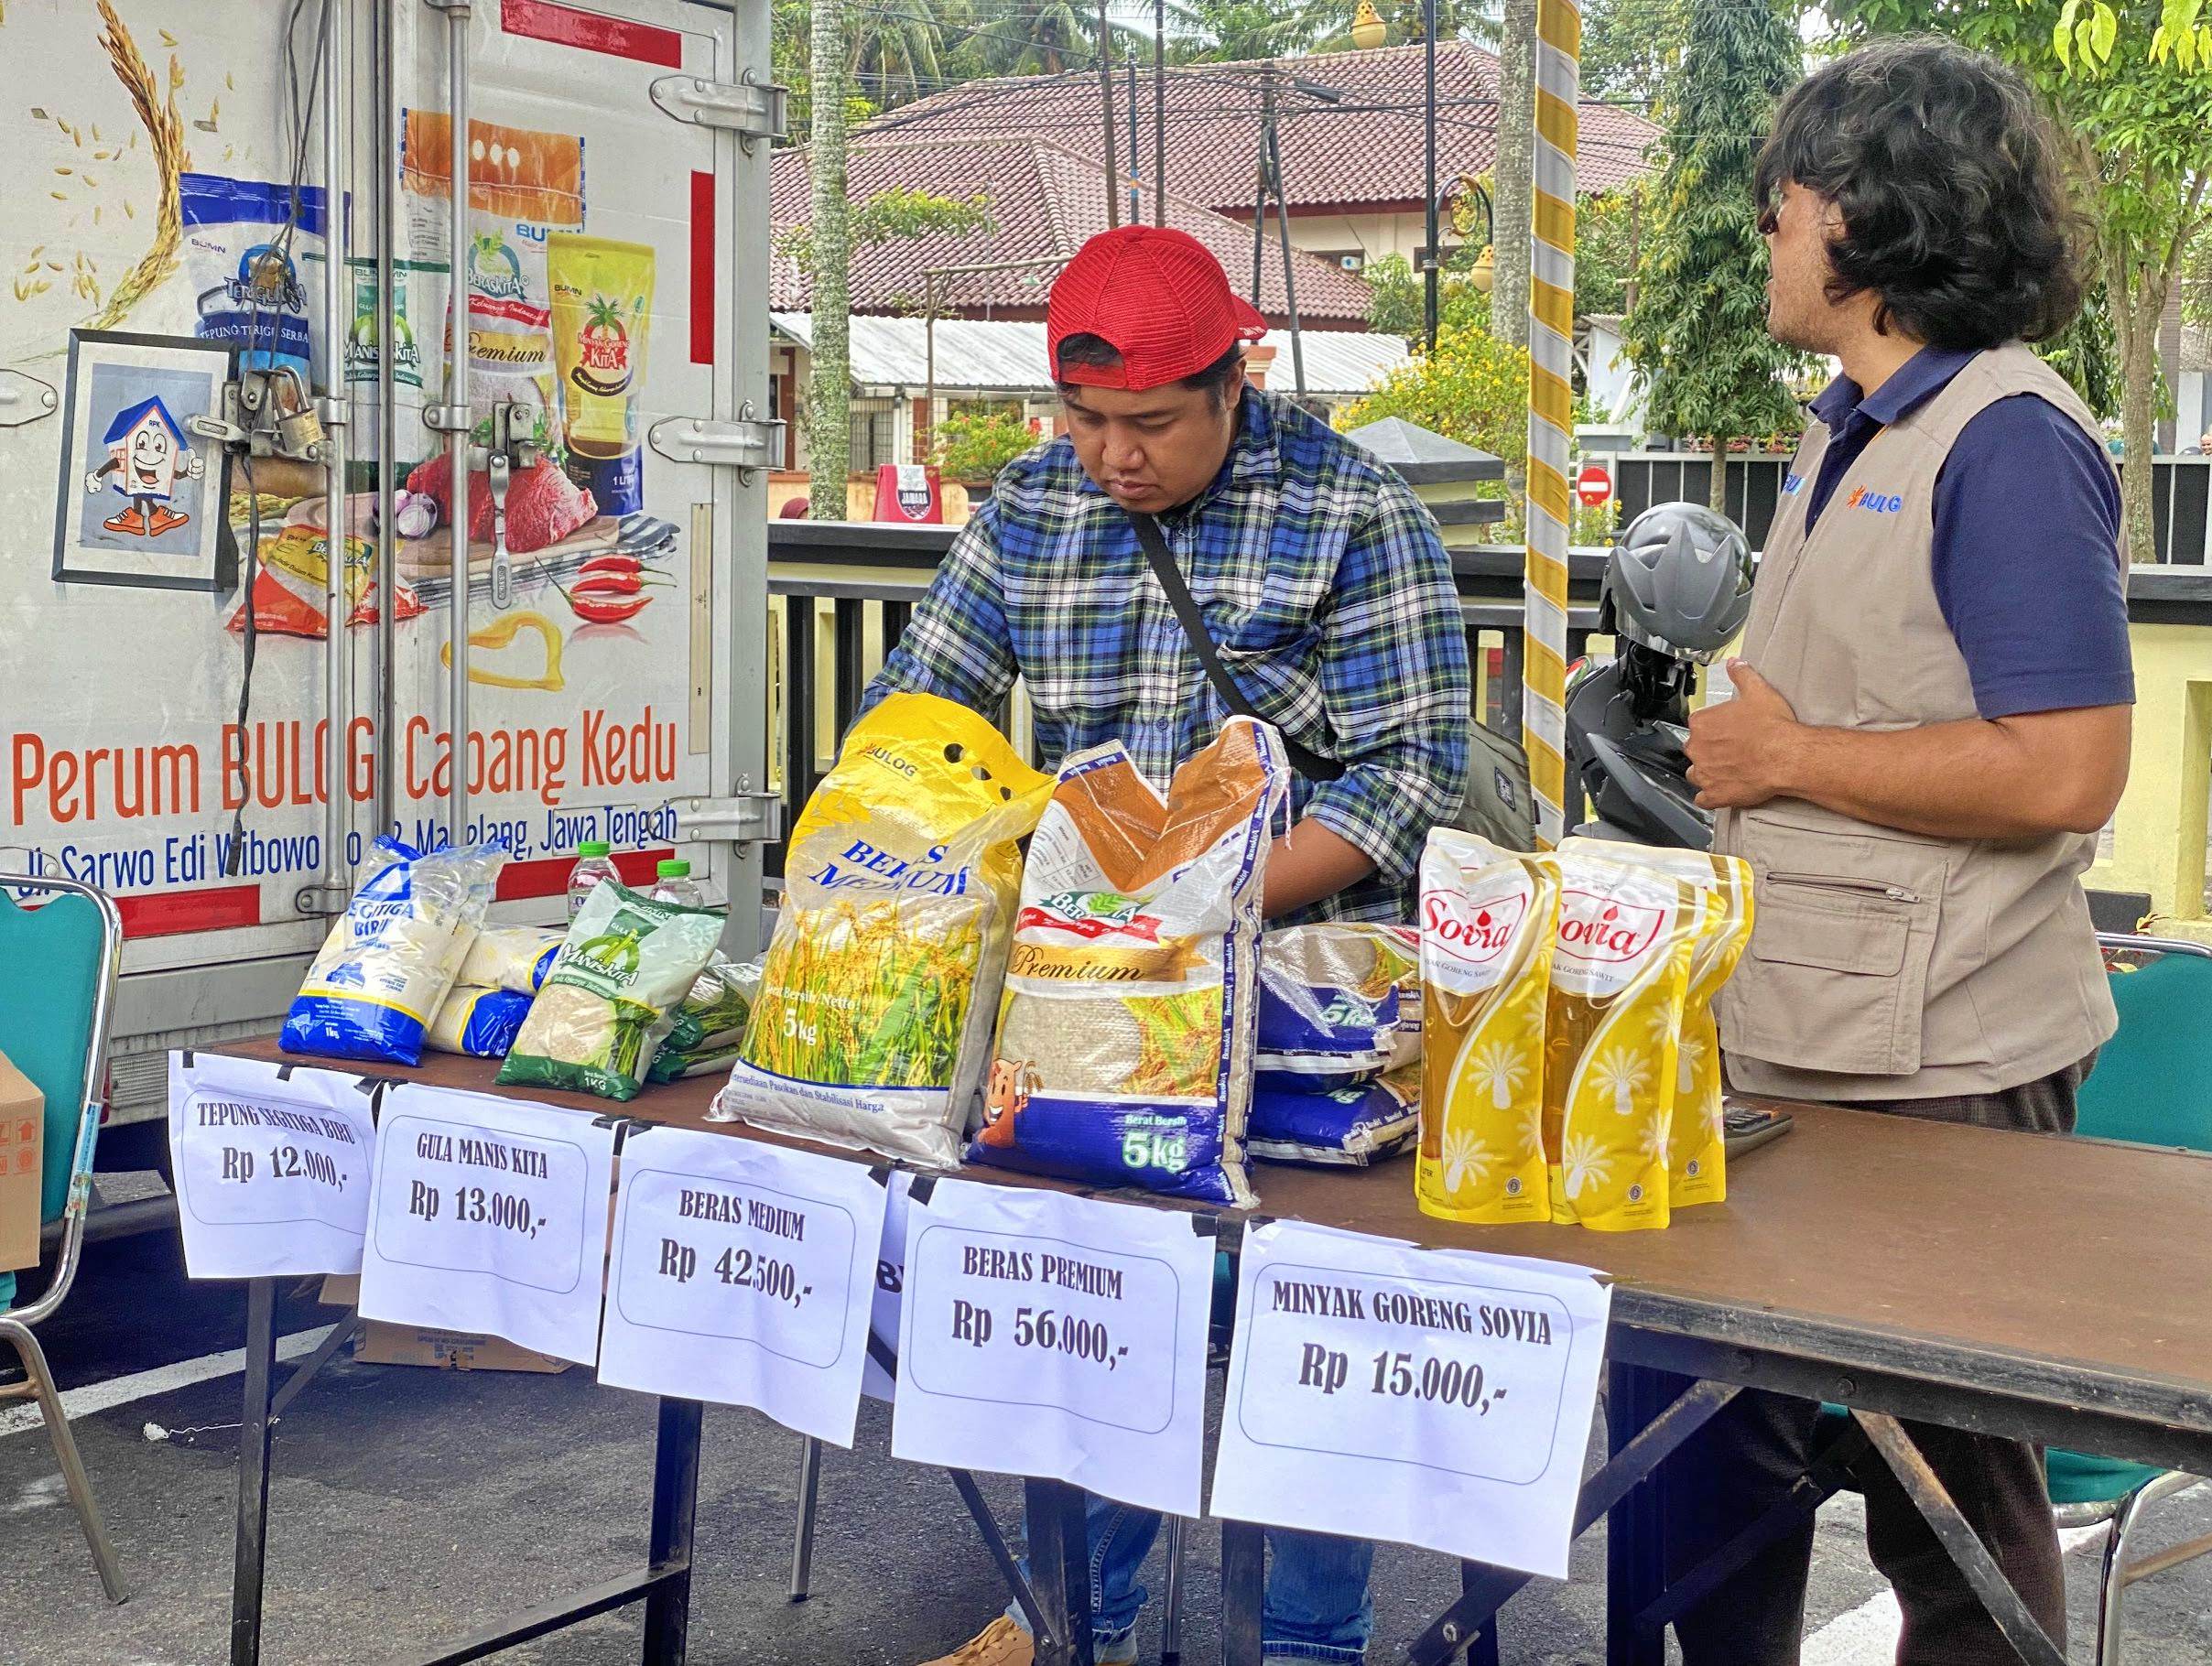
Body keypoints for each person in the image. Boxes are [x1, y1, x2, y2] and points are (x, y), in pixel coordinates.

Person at [864, 224, 1472, 1664]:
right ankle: (1080, 1622)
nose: (1112, 459)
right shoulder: (1028, 509)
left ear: (1235, 380)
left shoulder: (1350, 512)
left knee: (1300, 1320)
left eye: (1148, 424)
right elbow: (916, 719)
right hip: (1084, 1006)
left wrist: (1199, 908)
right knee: (1088, 1303)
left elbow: (1409, 776)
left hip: (1303, 1008)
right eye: (1085, 422)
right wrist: (919, 838)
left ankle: (1315, 1643)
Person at [1675, 38, 2134, 1666]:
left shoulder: (2007, 435)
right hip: (1809, 1016)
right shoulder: (1855, 422)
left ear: (1863, 217)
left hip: (1943, 1049)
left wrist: (1791, 756)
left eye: (1784, 207)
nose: (1773, 241)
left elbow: (2071, 768)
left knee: (1941, 1480)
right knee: (1724, 1439)